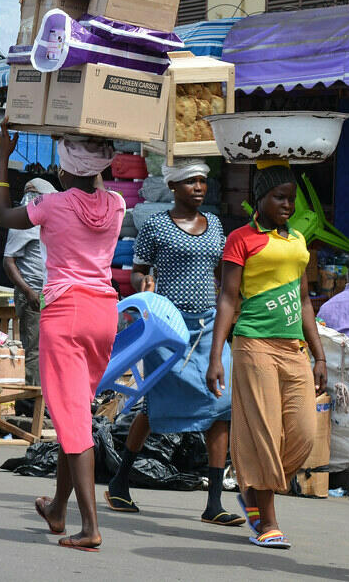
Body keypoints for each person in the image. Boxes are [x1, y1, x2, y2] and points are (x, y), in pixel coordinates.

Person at [0, 120, 124, 552]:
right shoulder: (118, 205)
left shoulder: (52, 205)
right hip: (104, 314)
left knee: (72, 422)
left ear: (66, 170)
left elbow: (0, 215)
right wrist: (91, 144)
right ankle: (57, 510)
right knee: (77, 416)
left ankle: (90, 527)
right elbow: (92, 178)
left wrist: (3, 155)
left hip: (65, 315)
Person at [106, 158, 243, 527]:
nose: (199, 188)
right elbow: (137, 271)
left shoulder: (215, 224)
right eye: (190, 182)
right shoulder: (155, 227)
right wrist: (142, 284)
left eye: (202, 181)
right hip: (168, 329)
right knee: (154, 406)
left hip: (209, 327)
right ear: (173, 188)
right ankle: (120, 482)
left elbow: (221, 274)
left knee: (221, 406)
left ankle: (214, 502)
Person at [207, 162, 327, 550]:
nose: (288, 205)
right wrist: (215, 356)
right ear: (259, 198)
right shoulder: (240, 239)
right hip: (253, 345)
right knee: (263, 432)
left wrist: (319, 355)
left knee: (304, 434)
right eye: (280, 197)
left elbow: (305, 300)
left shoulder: (297, 242)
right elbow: (227, 298)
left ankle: (254, 493)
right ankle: (267, 522)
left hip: (294, 350)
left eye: (291, 199)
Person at [3, 177, 55, 387]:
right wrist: (28, 292)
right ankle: (30, 404)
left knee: (48, 349)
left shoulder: (43, 223)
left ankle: (43, 399)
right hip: (32, 293)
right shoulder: (22, 222)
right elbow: (8, 262)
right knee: (34, 350)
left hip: (48, 291)